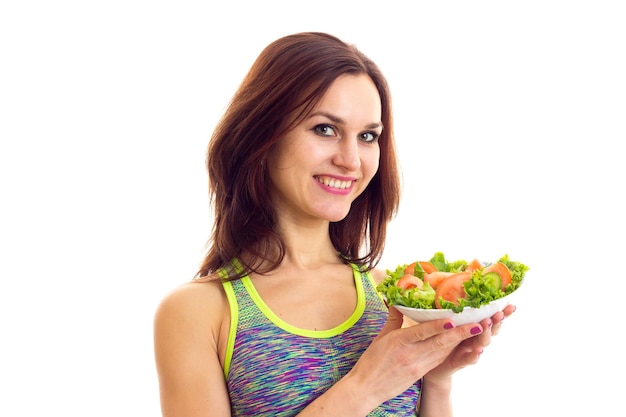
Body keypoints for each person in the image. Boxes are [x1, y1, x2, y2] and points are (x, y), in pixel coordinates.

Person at [153, 31, 515, 417]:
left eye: (367, 136)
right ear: (262, 135)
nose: (351, 161)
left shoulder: (390, 294)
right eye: (325, 129)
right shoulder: (199, 312)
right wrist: (366, 386)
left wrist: (438, 380)